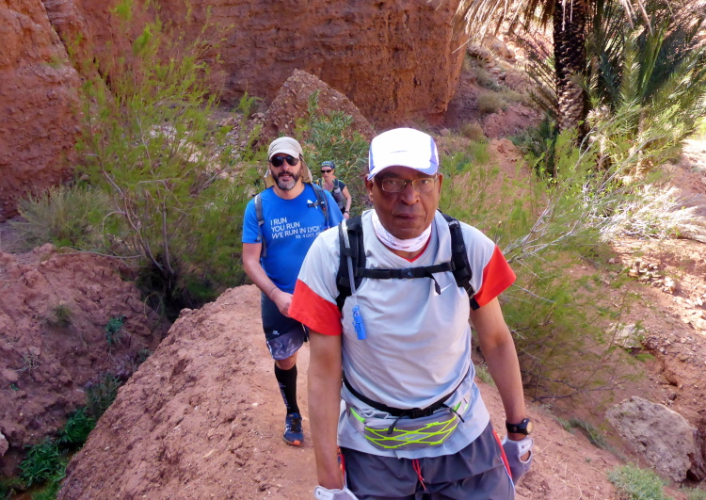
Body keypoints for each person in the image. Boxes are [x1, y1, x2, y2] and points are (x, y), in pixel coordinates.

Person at [290, 128, 533, 499]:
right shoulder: (332, 255)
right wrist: (330, 483)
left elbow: (497, 340)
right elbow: (323, 372)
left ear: (439, 184)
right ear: (369, 187)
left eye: (422, 181)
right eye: (393, 182)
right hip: (373, 451)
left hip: (463, 438)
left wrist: (518, 430)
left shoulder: (468, 247)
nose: (410, 197)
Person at [242, 136, 344, 447]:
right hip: (280, 298)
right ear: (270, 167)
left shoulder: (322, 199)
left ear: (301, 163)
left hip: (322, 297)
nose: (284, 167)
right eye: (278, 161)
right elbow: (250, 260)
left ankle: (337, 424)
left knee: (328, 361)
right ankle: (293, 413)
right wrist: (275, 295)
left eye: (290, 160)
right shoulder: (258, 207)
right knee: (285, 359)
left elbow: (341, 243)